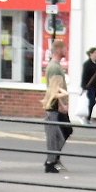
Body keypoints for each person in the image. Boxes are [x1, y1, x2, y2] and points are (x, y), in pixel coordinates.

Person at [42, 44, 71, 174]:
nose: (66, 50)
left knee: (63, 132)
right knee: (55, 135)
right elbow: (54, 88)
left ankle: (53, 158)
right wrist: (61, 105)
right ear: (59, 50)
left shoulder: (56, 66)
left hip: (56, 105)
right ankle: (51, 161)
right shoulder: (54, 67)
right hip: (54, 106)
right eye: (65, 48)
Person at [80, 47, 96, 123]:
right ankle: (85, 117)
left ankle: (88, 118)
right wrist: (83, 86)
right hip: (88, 86)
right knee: (91, 101)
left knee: (92, 102)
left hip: (94, 85)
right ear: (91, 54)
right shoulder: (87, 64)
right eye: (95, 53)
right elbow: (84, 75)